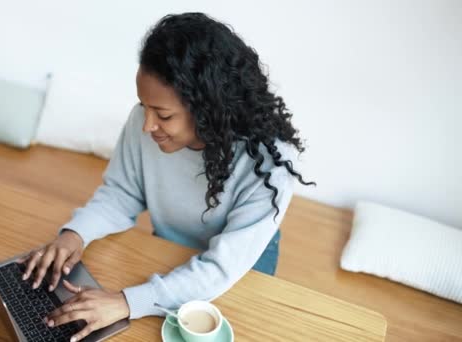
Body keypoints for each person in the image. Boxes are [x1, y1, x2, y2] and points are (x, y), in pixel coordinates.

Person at [19, 12, 314, 342]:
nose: (146, 125)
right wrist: (74, 235)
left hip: (238, 269)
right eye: (143, 106)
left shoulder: (269, 164)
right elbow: (120, 194)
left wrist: (126, 302)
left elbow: (220, 269)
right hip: (171, 250)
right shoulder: (143, 122)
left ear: (209, 108)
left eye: (163, 114)